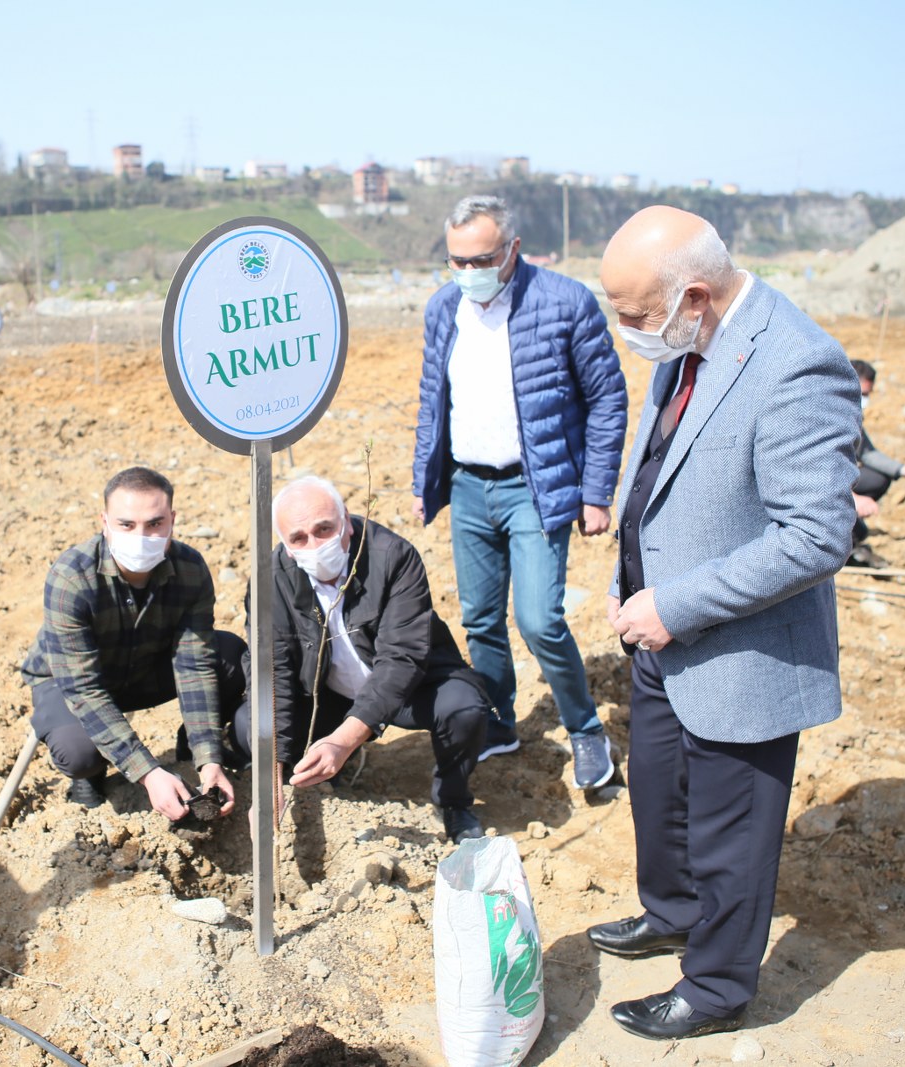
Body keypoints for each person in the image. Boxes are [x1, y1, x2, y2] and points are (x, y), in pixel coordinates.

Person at [592, 207, 858, 1040]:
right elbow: (659, 471)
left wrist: (675, 605)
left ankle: (715, 986)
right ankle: (673, 912)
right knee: (660, 796)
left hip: (739, 650)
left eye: (634, 315)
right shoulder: (685, 344)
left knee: (730, 829)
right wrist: (628, 580)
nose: (627, 331)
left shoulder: (797, 363)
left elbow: (814, 536)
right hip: (657, 634)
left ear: (695, 297)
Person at [411, 194, 628, 788]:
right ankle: (499, 722)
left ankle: (585, 729)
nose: (468, 272)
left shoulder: (565, 303)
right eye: (457, 261)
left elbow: (607, 398)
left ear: (512, 249)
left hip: (535, 487)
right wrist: (424, 479)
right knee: (481, 621)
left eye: (481, 260)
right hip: (468, 484)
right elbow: (433, 400)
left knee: (538, 619)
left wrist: (596, 492)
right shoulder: (443, 309)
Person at [233, 476, 490, 843]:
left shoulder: (392, 557)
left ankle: (453, 801)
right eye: (299, 538)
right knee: (249, 722)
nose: (315, 545)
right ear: (286, 547)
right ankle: (307, 779)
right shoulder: (271, 580)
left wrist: (343, 741)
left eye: (324, 529)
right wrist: (269, 779)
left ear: (347, 522)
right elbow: (272, 672)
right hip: (329, 692)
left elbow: (402, 659)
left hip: (409, 689)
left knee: (463, 708)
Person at [20, 466, 246, 821]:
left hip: (145, 669)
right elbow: (84, 689)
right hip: (74, 681)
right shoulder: (72, 578)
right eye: (126, 525)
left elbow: (194, 665)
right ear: (105, 522)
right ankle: (92, 773)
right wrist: (148, 772)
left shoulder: (189, 569)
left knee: (230, 656)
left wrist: (209, 757)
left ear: (172, 520)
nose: (141, 537)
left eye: (155, 524)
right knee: (77, 752)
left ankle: (192, 750)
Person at [847, 359, 905, 567]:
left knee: (878, 479)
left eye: (868, 395)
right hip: (814, 487)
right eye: (862, 394)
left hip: (837, 482)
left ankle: (849, 531)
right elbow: (818, 468)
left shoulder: (851, 415)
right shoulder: (825, 414)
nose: (865, 400)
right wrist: (851, 498)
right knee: (858, 530)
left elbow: (867, 453)